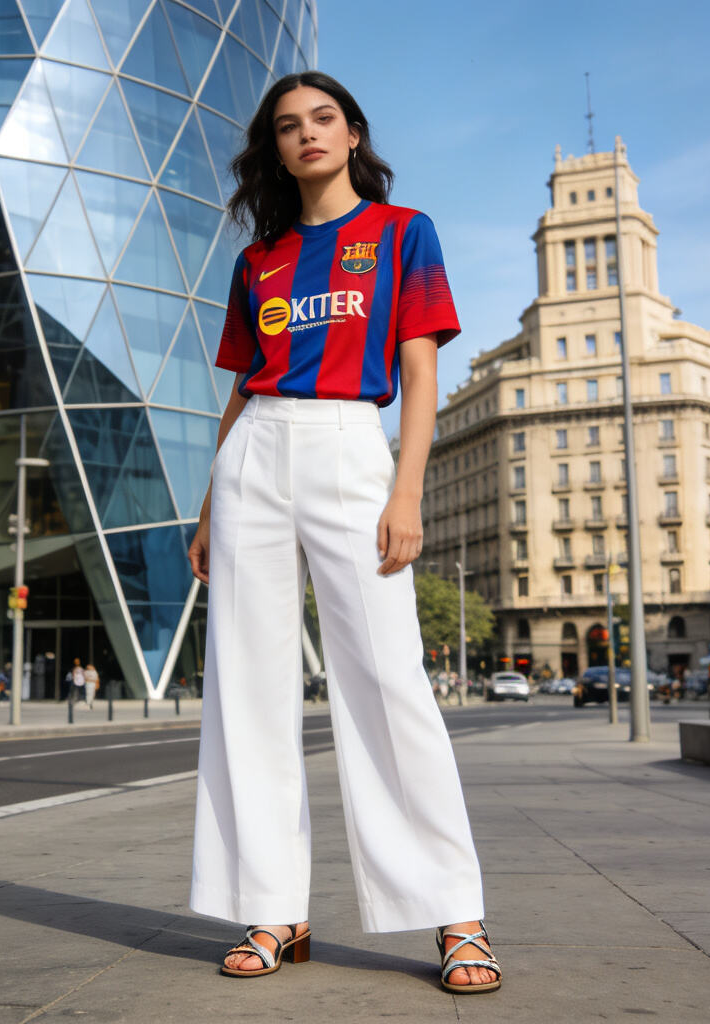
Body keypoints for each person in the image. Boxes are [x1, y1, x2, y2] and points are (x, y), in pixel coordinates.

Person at [186, 72, 500, 994]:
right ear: (274, 148)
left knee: (387, 680)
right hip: (255, 460)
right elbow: (240, 390)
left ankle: (458, 916)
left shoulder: (406, 233)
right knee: (245, 688)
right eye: (288, 126)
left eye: (323, 119)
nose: (307, 135)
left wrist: (407, 493)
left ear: (353, 133)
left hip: (348, 447)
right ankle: (274, 909)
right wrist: (210, 507)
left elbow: (417, 368)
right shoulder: (261, 261)